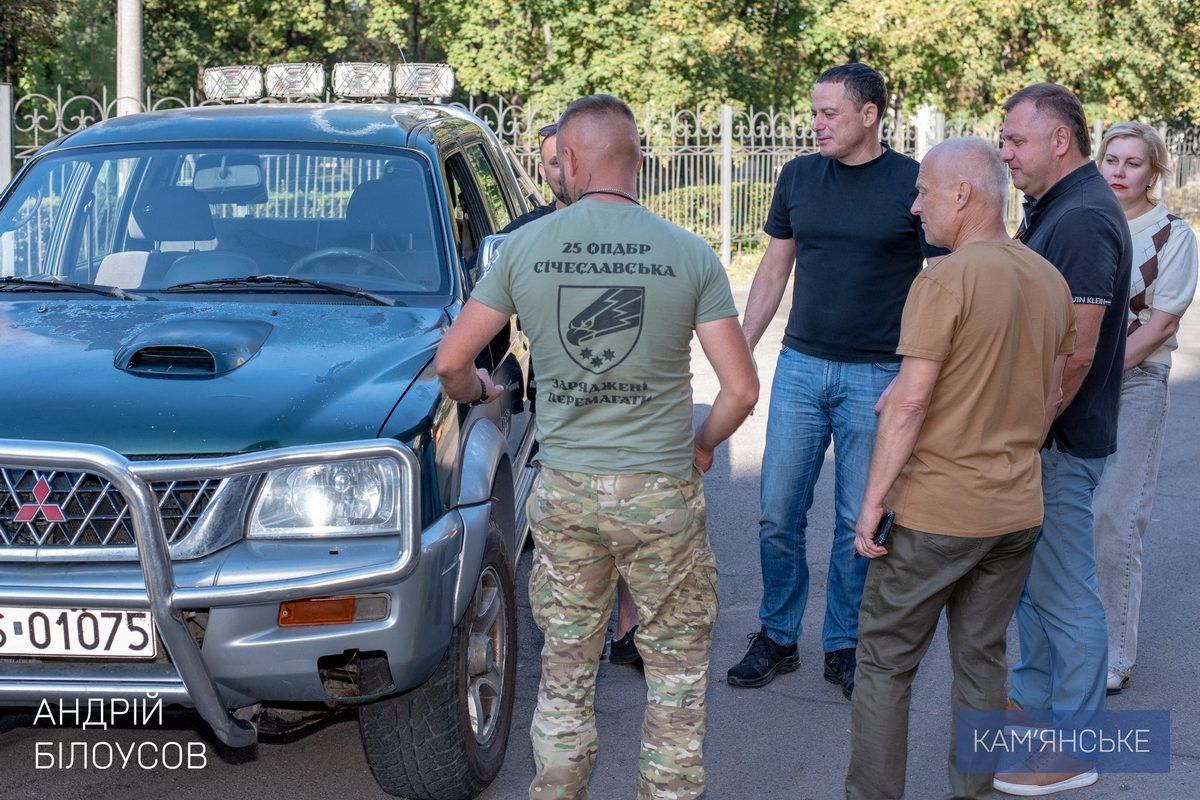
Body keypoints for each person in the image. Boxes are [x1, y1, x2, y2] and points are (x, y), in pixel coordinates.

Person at [434, 94, 758, 800]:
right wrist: (703, 446)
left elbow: (451, 362)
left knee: (566, 673)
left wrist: (481, 388)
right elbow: (740, 391)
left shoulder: (524, 249)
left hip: (567, 493)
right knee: (676, 680)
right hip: (661, 493)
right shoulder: (689, 253)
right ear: (638, 160)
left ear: (571, 160)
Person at [846, 137, 1075, 800]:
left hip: (936, 512)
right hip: (1015, 510)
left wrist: (871, 503)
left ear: (962, 194)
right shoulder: (1048, 279)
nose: (915, 207)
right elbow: (1051, 393)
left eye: (922, 193)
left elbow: (911, 403)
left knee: (885, 664)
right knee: (982, 659)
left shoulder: (943, 279)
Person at [728, 62, 946, 697]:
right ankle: (778, 635)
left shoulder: (912, 182)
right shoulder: (799, 175)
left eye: (829, 113)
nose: (816, 124)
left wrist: (915, 374)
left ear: (869, 114)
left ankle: (845, 643)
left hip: (878, 374)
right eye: (814, 113)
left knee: (859, 519)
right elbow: (774, 269)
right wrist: (742, 349)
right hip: (801, 366)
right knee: (777, 513)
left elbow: (939, 283)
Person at [994, 83, 1133, 796]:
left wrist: (1027, 432)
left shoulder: (1081, 219)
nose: (1006, 153)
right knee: (1036, 589)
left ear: (1060, 140)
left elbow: (1075, 353)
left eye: (1016, 140)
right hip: (1045, 440)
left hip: (1058, 441)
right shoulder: (1058, 208)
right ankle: (1032, 716)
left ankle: (1076, 747)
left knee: (1066, 593)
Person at [501, 121, 644, 669]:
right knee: (571, 537)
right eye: (551, 161)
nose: (561, 170)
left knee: (625, 529)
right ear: (543, 168)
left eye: (568, 158)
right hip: (558, 410)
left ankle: (627, 629)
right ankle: (571, 636)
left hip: (623, 406)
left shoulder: (630, 228)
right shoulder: (524, 235)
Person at [1093, 122, 1198, 695]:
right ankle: (1067, 641)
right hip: (1069, 385)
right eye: (1112, 159)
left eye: (1133, 163)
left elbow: (1159, 325)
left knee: (1115, 518)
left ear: (1154, 171)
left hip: (1134, 384)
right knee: (1059, 518)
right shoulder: (1085, 219)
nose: (1119, 171)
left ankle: (1115, 652)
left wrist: (1097, 376)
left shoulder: (1172, 236)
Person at [500, 123, 571, 233]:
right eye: (556, 163)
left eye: (576, 160)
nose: (569, 170)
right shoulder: (522, 232)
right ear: (543, 172)